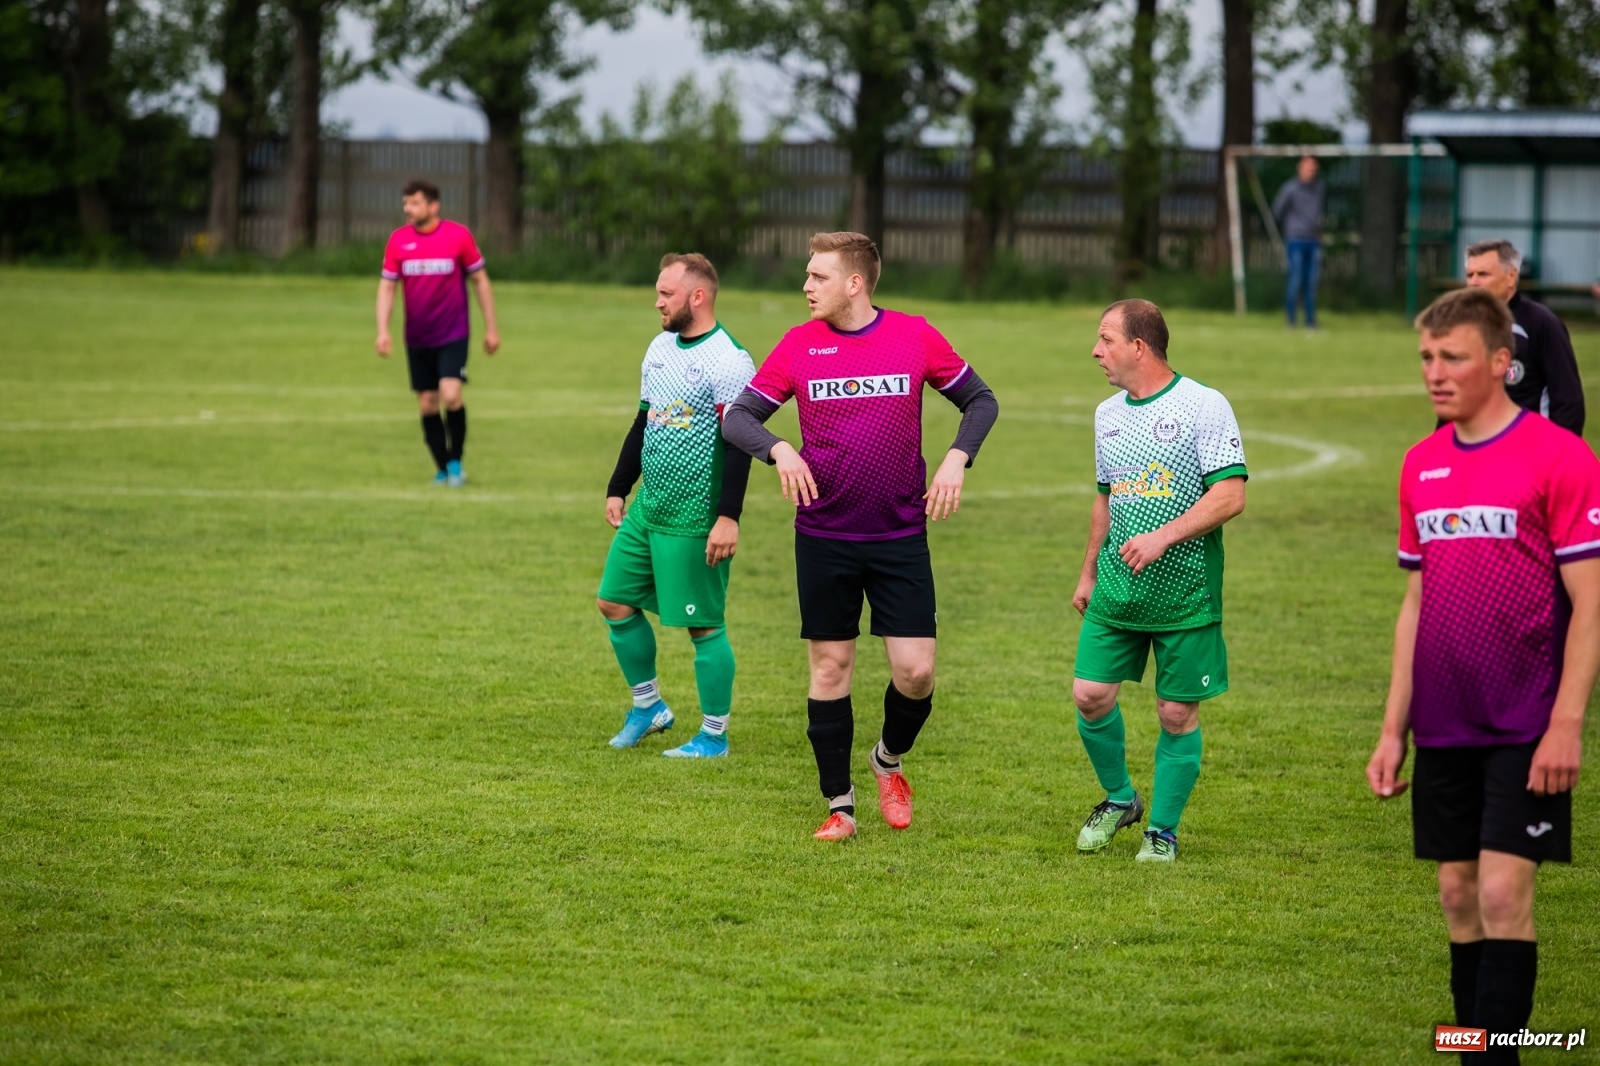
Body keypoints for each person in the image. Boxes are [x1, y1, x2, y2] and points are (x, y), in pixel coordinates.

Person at [1368, 286, 1600, 1065]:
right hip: (1443, 722)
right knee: (1458, 896)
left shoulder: (1560, 458)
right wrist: (1393, 729)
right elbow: (1415, 603)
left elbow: (1592, 602)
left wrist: (1566, 723)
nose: (1435, 373)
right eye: (1427, 357)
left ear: (1502, 362)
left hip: (1526, 720)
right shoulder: (1421, 464)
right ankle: (1476, 1051)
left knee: (1503, 894)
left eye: (1453, 358)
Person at [722, 231, 999, 841]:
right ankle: (840, 806)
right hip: (824, 534)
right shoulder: (799, 344)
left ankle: (887, 760)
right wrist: (779, 449)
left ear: (854, 283)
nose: (806, 286)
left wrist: (957, 458)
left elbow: (980, 401)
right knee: (830, 669)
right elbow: (739, 417)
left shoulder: (914, 336)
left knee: (916, 672)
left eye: (817, 276)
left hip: (899, 535)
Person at [1069, 299, 1248, 863]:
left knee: (1175, 713)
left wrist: (1163, 537)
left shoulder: (1204, 405)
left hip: (1185, 590)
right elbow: (1106, 498)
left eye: (1106, 340)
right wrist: (1088, 571)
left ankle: (1162, 831)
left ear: (1139, 346)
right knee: (1090, 695)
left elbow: (1230, 495)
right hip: (1118, 587)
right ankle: (1121, 799)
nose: (1096, 351)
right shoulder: (1107, 414)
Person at [597, 253, 755, 757]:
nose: (658, 302)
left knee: (703, 625)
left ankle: (714, 735)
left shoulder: (730, 360)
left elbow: (739, 444)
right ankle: (648, 706)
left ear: (697, 296)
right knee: (614, 602)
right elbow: (643, 420)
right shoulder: (660, 347)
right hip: (649, 509)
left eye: (666, 294)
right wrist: (619, 486)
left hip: (695, 516)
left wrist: (727, 518)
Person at [375, 179, 499, 487]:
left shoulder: (458, 236)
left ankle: (456, 461)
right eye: (406, 203)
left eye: (414, 203)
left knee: (451, 394)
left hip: (453, 333)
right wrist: (383, 330)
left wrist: (491, 328)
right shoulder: (398, 241)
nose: (408, 208)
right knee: (428, 404)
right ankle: (442, 468)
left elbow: (480, 281)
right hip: (417, 337)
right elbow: (387, 287)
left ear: (433, 206)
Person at [1463, 239, 1584, 435]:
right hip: (1479, 447)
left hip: (1531, 447)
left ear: (1511, 276)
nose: (1474, 282)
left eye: (1483, 274)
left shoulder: (1541, 323)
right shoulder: (1462, 326)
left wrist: (1559, 450)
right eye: (1470, 275)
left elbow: (1568, 401)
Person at [1271, 155, 1326, 330]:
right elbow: (1278, 210)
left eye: (1313, 169)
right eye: (1307, 168)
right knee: (1295, 279)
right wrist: (1291, 227)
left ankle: (1310, 322)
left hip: (1313, 240)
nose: (1310, 171)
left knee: (1311, 282)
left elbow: (1320, 211)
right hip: (1295, 239)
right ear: (1300, 168)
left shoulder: (1319, 188)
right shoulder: (1290, 188)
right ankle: (1291, 321)